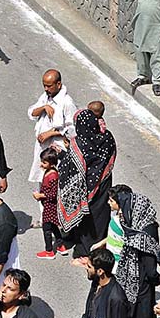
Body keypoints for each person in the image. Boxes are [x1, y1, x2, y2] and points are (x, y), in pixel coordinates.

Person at [97, 187, 160, 318]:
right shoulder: (141, 225)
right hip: (138, 283)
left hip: (134, 283)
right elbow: (150, 263)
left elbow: (147, 261)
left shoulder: (141, 230)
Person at [58, 109, 117, 258]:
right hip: (103, 184)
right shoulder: (108, 137)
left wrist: (63, 152)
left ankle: (84, 251)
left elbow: (70, 167)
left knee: (86, 221)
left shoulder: (79, 144)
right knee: (101, 217)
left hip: (85, 191)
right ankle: (98, 247)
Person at [26, 69, 77, 183]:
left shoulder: (67, 103)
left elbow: (72, 129)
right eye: (44, 86)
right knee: (42, 180)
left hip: (56, 151)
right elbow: (31, 113)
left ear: (58, 84)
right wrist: (44, 107)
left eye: (49, 86)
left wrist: (50, 133)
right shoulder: (45, 97)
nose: (46, 89)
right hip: (43, 149)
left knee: (54, 181)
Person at [33, 148, 64, 258]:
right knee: (53, 225)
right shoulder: (49, 172)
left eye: (44, 162)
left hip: (50, 206)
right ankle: (60, 245)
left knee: (46, 228)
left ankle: (49, 251)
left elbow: (53, 194)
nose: (41, 164)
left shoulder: (53, 176)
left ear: (52, 164)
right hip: (48, 205)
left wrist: (40, 196)